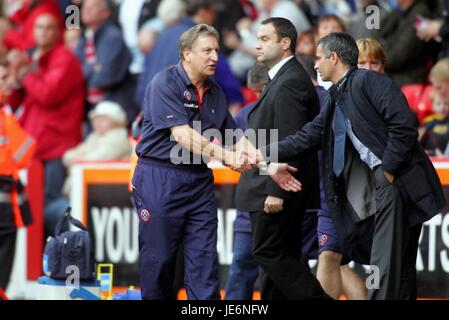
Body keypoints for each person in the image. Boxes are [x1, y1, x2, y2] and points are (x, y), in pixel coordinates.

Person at [260, 32, 445, 300]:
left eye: (319, 58)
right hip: (382, 186)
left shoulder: (368, 81)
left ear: (334, 58)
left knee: (385, 264)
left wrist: (388, 170)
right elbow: (308, 136)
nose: (315, 65)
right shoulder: (336, 96)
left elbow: (404, 126)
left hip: (394, 184)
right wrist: (262, 152)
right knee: (398, 268)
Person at [132, 24, 258, 300]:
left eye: (216, 50)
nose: (214, 56)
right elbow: (182, 136)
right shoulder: (164, 83)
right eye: (207, 51)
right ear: (186, 54)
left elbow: (236, 137)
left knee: (204, 263)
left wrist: (267, 164)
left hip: (199, 181)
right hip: (160, 178)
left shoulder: (215, 91)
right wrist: (228, 158)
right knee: (160, 262)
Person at [234, 17, 329, 300]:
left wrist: (277, 191)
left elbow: (291, 140)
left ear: (285, 43)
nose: (257, 44)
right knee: (282, 259)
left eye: (265, 39)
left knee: (268, 252)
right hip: (276, 184)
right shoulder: (283, 79)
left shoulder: (290, 82)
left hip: (278, 188)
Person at [7, 13, 84, 239]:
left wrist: (24, 74)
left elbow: (48, 95)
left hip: (56, 147)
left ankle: (67, 247)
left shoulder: (64, 59)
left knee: (49, 204)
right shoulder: (35, 59)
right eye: (39, 27)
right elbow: (15, 100)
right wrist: (15, 77)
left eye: (49, 27)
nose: (43, 31)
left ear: (58, 32)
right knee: (38, 204)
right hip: (37, 148)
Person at [224, 62, 269, 300]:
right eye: (257, 92)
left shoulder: (288, 113)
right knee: (241, 267)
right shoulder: (245, 114)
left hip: (276, 201)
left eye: (264, 91)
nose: (260, 97)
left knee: (273, 272)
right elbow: (233, 152)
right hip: (249, 204)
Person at [0, 63, 35, 291]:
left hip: (8, 188)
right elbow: (23, 150)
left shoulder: (6, 113)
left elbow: (24, 150)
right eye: (3, 78)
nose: (9, 83)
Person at [75, 0, 139, 124]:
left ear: (105, 13)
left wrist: (86, 69)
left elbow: (106, 77)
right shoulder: (84, 36)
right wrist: (93, 67)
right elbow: (73, 74)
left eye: (93, 6)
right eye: (84, 6)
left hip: (114, 109)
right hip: (90, 108)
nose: (86, 10)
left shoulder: (112, 36)